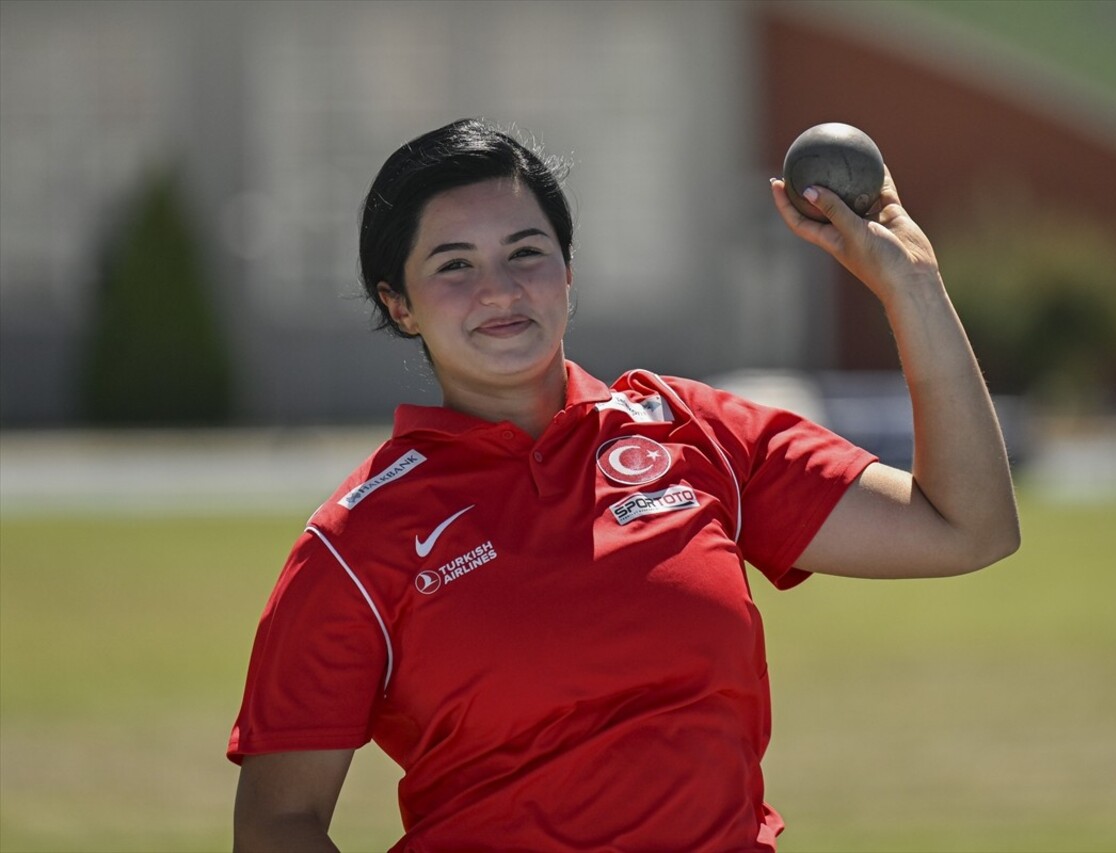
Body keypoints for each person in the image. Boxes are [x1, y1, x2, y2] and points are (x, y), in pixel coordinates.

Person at [228, 117, 1020, 852]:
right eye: (454, 265)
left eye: (526, 252)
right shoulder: (354, 542)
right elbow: (278, 820)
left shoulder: (692, 429)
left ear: (569, 272)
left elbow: (967, 526)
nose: (500, 289)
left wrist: (912, 285)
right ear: (397, 304)